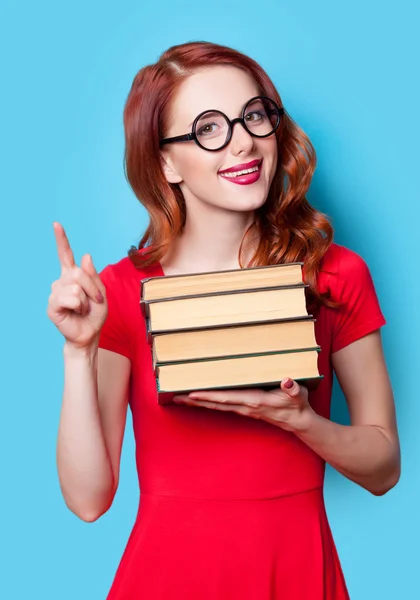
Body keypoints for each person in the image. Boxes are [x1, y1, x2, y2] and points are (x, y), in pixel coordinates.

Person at [47, 41, 401, 599]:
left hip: (297, 572)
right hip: (164, 579)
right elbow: (89, 500)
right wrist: (78, 351)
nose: (244, 142)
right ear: (164, 161)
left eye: (254, 115)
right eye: (209, 128)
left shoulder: (333, 275)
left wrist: (301, 421)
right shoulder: (121, 291)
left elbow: (383, 468)